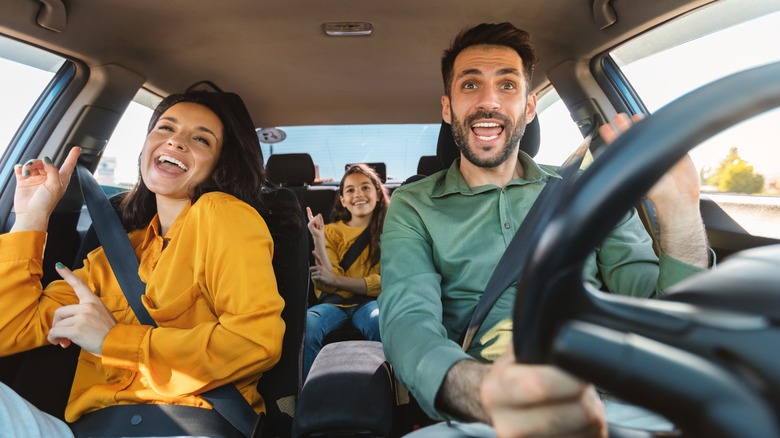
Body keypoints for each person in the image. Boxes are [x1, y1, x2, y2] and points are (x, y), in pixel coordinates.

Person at [378, 23, 710, 437]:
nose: (488, 102)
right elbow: (408, 323)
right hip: (488, 412)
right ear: (447, 109)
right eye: (469, 85)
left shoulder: (589, 190)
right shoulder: (413, 205)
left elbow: (659, 315)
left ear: (529, 106)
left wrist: (680, 214)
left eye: (507, 85)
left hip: (615, 402)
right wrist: (491, 395)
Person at [0, 91, 291, 437]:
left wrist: (113, 340)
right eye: (166, 127)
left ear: (220, 164)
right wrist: (33, 214)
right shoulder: (111, 255)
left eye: (200, 138)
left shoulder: (222, 214)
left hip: (184, 424)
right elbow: (9, 330)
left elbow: (255, 341)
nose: (176, 141)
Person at [303, 164, 390, 380]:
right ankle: (305, 395)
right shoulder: (331, 231)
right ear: (342, 199)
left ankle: (391, 393)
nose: (358, 194)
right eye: (350, 190)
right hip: (333, 305)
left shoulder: (391, 230)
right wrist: (318, 239)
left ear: (378, 194)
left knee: (380, 320)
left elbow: (388, 282)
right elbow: (326, 283)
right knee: (308, 324)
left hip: (370, 304)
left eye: (365, 187)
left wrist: (337, 280)